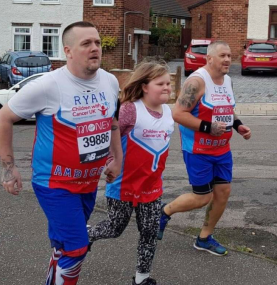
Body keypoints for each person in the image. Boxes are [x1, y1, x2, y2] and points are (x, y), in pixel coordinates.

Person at [0, 21, 123, 285]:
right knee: (77, 247)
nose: (94, 48)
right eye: (86, 43)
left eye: (97, 42)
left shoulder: (110, 81)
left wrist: (117, 159)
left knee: (63, 243)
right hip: (54, 183)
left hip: (88, 183)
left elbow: (112, 122)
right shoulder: (48, 85)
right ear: (68, 51)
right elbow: (2, 119)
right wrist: (9, 169)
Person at [158, 41, 251, 256]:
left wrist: (238, 126)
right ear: (209, 59)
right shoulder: (197, 81)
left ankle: (204, 238)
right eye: (222, 56)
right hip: (198, 150)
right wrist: (208, 127)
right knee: (202, 197)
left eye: (229, 55)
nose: (228, 59)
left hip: (222, 150)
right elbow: (178, 114)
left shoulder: (227, 80)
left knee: (223, 193)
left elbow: (226, 110)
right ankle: (164, 211)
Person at [88, 61, 175, 285]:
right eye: (160, 83)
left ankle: (141, 278)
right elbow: (108, 134)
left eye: (169, 83)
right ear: (145, 86)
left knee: (149, 233)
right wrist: (110, 161)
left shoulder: (168, 112)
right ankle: (87, 235)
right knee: (115, 228)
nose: (167, 87)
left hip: (152, 186)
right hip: (122, 184)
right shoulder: (129, 109)